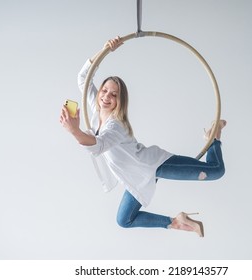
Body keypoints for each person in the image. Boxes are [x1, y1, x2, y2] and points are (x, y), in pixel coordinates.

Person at [60, 36, 226, 237]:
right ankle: (176, 222)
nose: (106, 96)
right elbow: (83, 78)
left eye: (114, 95)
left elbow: (100, 144)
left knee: (216, 171)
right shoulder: (96, 110)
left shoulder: (116, 125)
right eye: (104, 90)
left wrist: (74, 131)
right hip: (136, 177)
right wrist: (105, 50)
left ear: (120, 101)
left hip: (153, 165)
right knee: (124, 220)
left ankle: (214, 135)